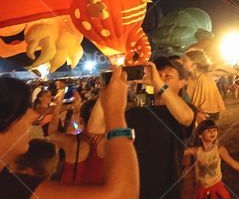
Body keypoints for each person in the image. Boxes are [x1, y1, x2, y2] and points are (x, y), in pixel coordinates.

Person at [0, 68, 138, 198]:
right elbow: (123, 195)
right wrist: (114, 111)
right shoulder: (9, 188)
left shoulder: (9, 184)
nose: (32, 116)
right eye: (24, 110)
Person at [126, 58, 198, 199]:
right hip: (134, 190)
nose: (160, 79)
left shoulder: (186, 110)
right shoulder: (136, 112)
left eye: (167, 76)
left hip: (166, 191)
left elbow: (185, 117)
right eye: (158, 75)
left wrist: (159, 84)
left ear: (182, 83)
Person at [183, 119, 239, 198]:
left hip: (216, 188)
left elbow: (234, 163)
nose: (213, 133)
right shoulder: (196, 151)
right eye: (209, 131)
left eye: (214, 130)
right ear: (200, 135)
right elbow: (178, 153)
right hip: (201, 190)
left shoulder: (219, 150)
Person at [49, 99, 105, 186]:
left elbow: (52, 134)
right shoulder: (112, 143)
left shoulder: (72, 142)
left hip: (71, 193)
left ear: (82, 121)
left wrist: (56, 110)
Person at [182, 49, 225, 122]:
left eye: (185, 60)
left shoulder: (207, 74)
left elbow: (233, 71)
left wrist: (212, 67)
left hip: (210, 113)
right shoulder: (186, 80)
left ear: (194, 62)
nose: (182, 62)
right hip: (196, 113)